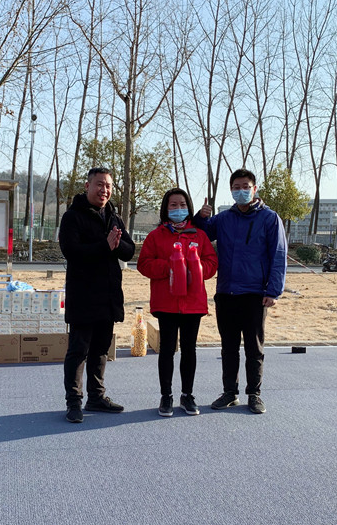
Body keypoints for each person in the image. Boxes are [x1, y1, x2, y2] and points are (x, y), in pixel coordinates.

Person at [193, 169, 287, 414]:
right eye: (236, 187)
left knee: (254, 348)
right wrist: (200, 217)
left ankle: (254, 394)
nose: (241, 191)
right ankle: (229, 392)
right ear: (231, 190)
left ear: (254, 189)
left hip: (255, 293)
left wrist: (273, 290)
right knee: (229, 347)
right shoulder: (224, 219)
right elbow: (201, 233)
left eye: (245, 186)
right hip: (226, 292)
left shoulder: (269, 218)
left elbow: (278, 255)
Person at [59, 167, 135, 423]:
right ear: (87, 186)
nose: (104, 190)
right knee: (78, 351)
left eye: (109, 186)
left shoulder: (114, 217)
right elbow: (71, 251)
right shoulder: (72, 217)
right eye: (100, 184)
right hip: (83, 296)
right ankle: (74, 402)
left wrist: (115, 245)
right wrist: (105, 246)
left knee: (101, 350)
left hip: (108, 296)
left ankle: (96, 396)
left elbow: (129, 250)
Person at [137, 188, 218, 417]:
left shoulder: (199, 235)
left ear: (188, 207)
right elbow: (144, 264)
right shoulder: (156, 236)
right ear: (166, 208)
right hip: (166, 303)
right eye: (173, 205)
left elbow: (212, 262)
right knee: (167, 350)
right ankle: (166, 395)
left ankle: (187, 395)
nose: (178, 208)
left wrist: (195, 269)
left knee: (189, 350)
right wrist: (170, 267)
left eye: (182, 204)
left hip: (193, 303)